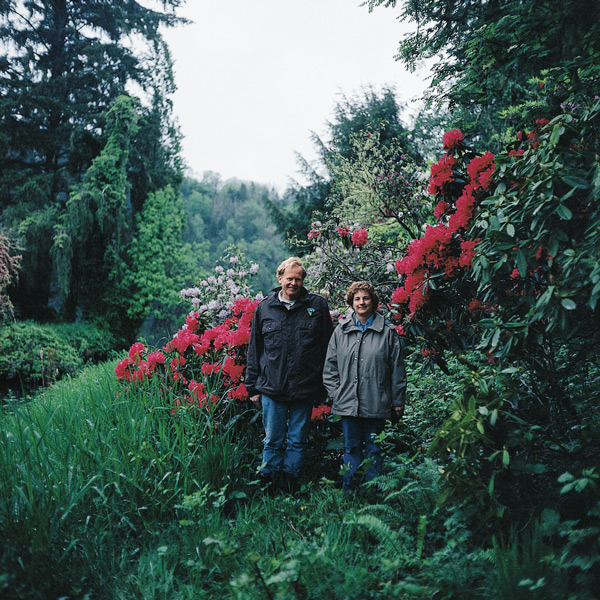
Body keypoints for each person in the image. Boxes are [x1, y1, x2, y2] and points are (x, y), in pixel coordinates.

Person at [246, 257, 334, 493]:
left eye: (298, 279)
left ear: (303, 280)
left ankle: (290, 487)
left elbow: (328, 348)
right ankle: (268, 486)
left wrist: (326, 385)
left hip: (305, 388)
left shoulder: (317, 306)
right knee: (272, 440)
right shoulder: (264, 308)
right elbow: (255, 349)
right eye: (289, 278)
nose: (293, 283)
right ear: (280, 278)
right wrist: (252, 388)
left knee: (297, 441)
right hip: (272, 388)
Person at [323, 281, 406, 490]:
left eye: (366, 298)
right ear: (351, 302)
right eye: (357, 299)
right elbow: (329, 367)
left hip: (377, 402)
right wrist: (337, 393)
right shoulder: (341, 331)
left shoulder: (387, 332)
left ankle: (373, 494)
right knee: (351, 448)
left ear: (373, 301)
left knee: (374, 448)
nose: (362, 303)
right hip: (348, 403)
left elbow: (397, 369)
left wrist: (397, 401)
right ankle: (350, 492)